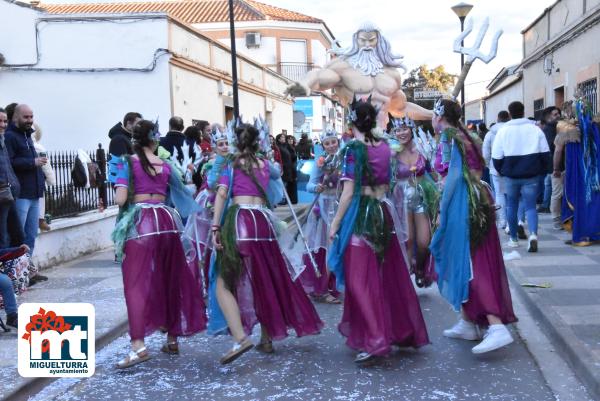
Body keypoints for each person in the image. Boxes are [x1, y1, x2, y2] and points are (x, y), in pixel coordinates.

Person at [209, 123, 323, 364]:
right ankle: (266, 338)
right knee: (264, 279)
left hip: (239, 221)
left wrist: (215, 227)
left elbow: (221, 194)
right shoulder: (264, 164)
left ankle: (240, 338)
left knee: (223, 282)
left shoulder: (231, 163)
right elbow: (277, 175)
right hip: (262, 222)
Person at [328, 98, 429, 364]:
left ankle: (375, 339)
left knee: (359, 280)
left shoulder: (353, 150)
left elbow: (348, 192)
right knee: (388, 276)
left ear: (352, 123)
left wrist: (335, 223)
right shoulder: (386, 147)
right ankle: (399, 330)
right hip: (384, 214)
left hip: (362, 215)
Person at [109, 120, 206, 369]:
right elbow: (183, 190)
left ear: (134, 139)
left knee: (135, 286)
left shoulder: (126, 163)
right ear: (155, 140)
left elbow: (121, 200)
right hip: (166, 221)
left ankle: (138, 346)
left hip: (139, 224)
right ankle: (172, 339)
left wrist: (124, 189)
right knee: (169, 281)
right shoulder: (164, 164)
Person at [431, 98, 517, 354]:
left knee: (471, 261)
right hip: (477, 198)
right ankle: (469, 321)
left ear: (439, 116)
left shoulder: (449, 135)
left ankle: (495, 324)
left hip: (463, 203)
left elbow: (454, 176)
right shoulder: (464, 133)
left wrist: (441, 211)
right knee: (468, 259)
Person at [492, 101, 552, 252]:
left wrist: (501, 170)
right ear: (524, 111)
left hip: (511, 176)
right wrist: (545, 170)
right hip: (531, 175)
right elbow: (545, 153)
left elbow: (496, 157)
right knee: (531, 206)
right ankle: (532, 235)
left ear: (510, 113)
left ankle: (513, 239)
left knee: (511, 206)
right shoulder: (535, 130)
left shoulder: (503, 131)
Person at [389, 115, 438, 288]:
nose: (401, 133)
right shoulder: (392, 152)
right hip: (400, 199)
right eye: (398, 130)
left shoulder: (423, 147)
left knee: (425, 241)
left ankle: (420, 268)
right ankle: (406, 285)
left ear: (411, 129)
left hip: (421, 198)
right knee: (407, 241)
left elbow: (434, 173)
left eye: (404, 129)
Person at [299, 127, 341, 303]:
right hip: (324, 208)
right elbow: (310, 184)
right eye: (327, 143)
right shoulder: (320, 162)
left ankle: (335, 284)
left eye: (333, 142)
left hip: (341, 206)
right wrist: (316, 187)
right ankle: (322, 288)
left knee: (340, 247)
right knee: (326, 248)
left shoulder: (344, 158)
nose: (331, 146)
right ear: (323, 145)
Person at [4, 105, 46, 257]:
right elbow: (10, 162)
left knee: (31, 235)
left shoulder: (27, 135)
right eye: (25, 117)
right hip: (21, 194)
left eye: (31, 117)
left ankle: (27, 270)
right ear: (16, 117)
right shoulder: (10, 137)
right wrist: (32, 162)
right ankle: (16, 272)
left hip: (33, 194)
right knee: (18, 237)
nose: (29, 120)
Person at [482, 110, 510, 229]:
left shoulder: (490, 133)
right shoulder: (511, 130)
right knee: (511, 195)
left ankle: (502, 221)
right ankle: (513, 222)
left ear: (498, 118)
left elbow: (486, 151)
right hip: (511, 166)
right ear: (508, 118)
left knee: (499, 194)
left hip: (495, 166)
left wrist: (488, 165)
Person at [552, 120, 579, 230]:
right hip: (574, 169)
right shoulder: (585, 131)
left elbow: (558, 152)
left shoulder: (563, 132)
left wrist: (555, 168)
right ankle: (560, 218)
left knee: (557, 193)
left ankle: (557, 219)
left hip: (563, 169)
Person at [0, 108, 21, 248]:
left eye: (4, 121)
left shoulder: (3, 140)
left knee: (18, 235)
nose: (2, 124)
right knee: (3, 238)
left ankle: (17, 269)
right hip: (2, 195)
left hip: (9, 194)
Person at [31, 124, 56, 232]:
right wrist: (51, 181)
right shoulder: (38, 147)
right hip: (37, 178)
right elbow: (47, 166)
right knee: (40, 200)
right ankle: (40, 221)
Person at [538, 106, 562, 213]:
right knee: (556, 192)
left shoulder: (556, 127)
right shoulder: (550, 129)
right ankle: (555, 217)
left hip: (552, 164)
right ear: (548, 117)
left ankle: (546, 205)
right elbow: (553, 148)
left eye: (558, 114)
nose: (558, 116)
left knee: (549, 185)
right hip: (554, 164)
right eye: (555, 114)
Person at [276, 132, 297, 204]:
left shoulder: (285, 147)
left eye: (284, 137)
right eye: (282, 137)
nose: (284, 138)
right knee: (283, 184)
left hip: (288, 168)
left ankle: (284, 199)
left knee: (285, 184)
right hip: (283, 168)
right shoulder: (278, 147)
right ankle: (282, 199)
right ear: (278, 139)